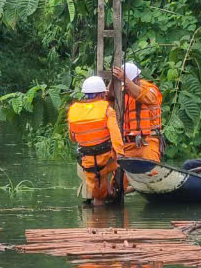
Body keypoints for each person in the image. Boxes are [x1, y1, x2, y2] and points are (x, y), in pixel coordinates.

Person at [67, 75, 124, 204]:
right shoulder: (107, 110)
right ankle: (112, 192)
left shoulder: (74, 111)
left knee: (98, 197)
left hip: (88, 162)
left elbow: (73, 137)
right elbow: (115, 135)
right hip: (108, 160)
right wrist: (120, 154)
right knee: (117, 170)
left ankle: (105, 194)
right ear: (102, 94)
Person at [112, 61, 164, 162]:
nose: (126, 86)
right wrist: (113, 81)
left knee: (151, 172)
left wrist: (126, 80)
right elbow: (109, 97)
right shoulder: (122, 92)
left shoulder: (151, 90)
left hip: (148, 143)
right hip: (127, 144)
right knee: (121, 175)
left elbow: (142, 95)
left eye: (127, 83)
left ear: (137, 79)